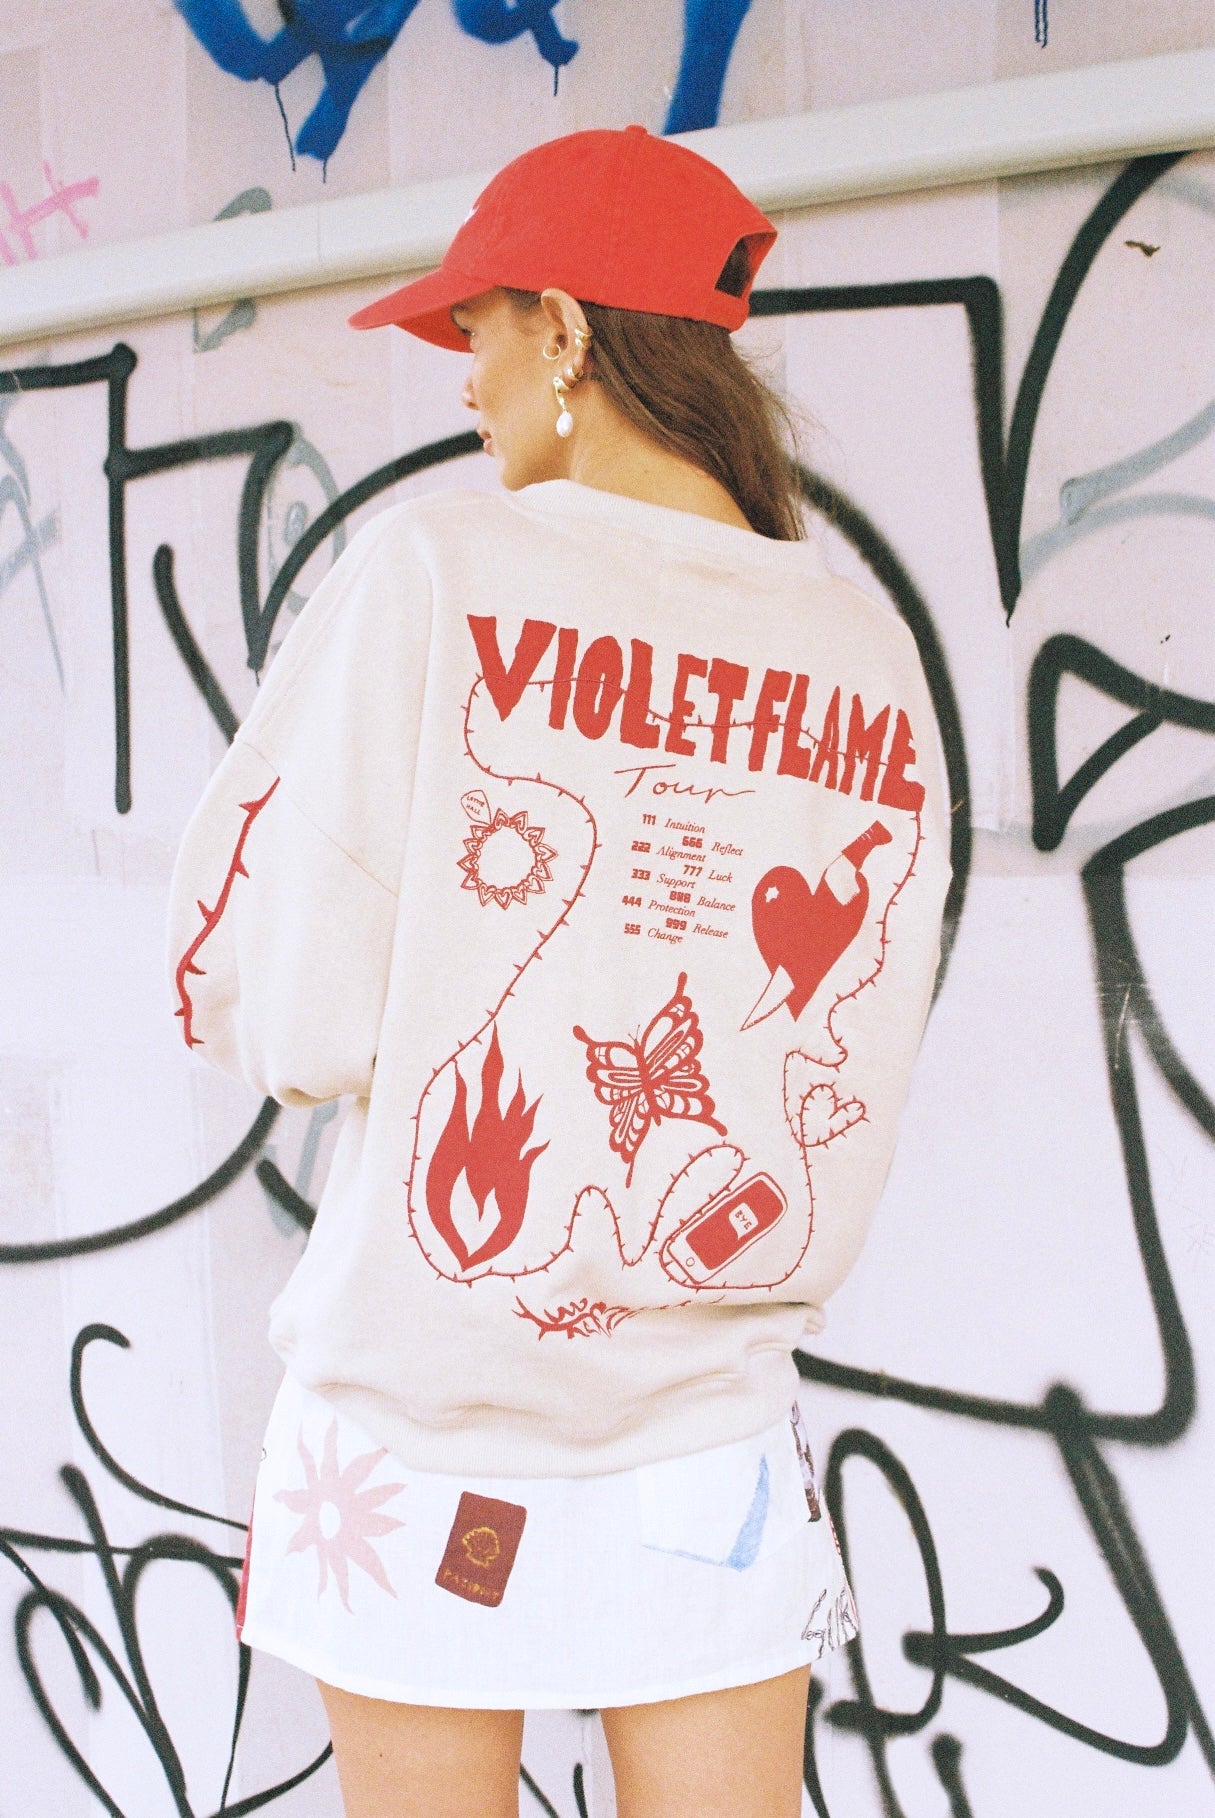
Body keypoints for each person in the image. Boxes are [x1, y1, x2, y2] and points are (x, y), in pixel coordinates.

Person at [168, 126, 950, 1818]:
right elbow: (863, 1023)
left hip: (422, 1411)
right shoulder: (864, 645)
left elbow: (286, 1012)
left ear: (570, 331)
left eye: (479, 328)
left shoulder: (437, 571)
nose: (466, 377)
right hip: (707, 1429)